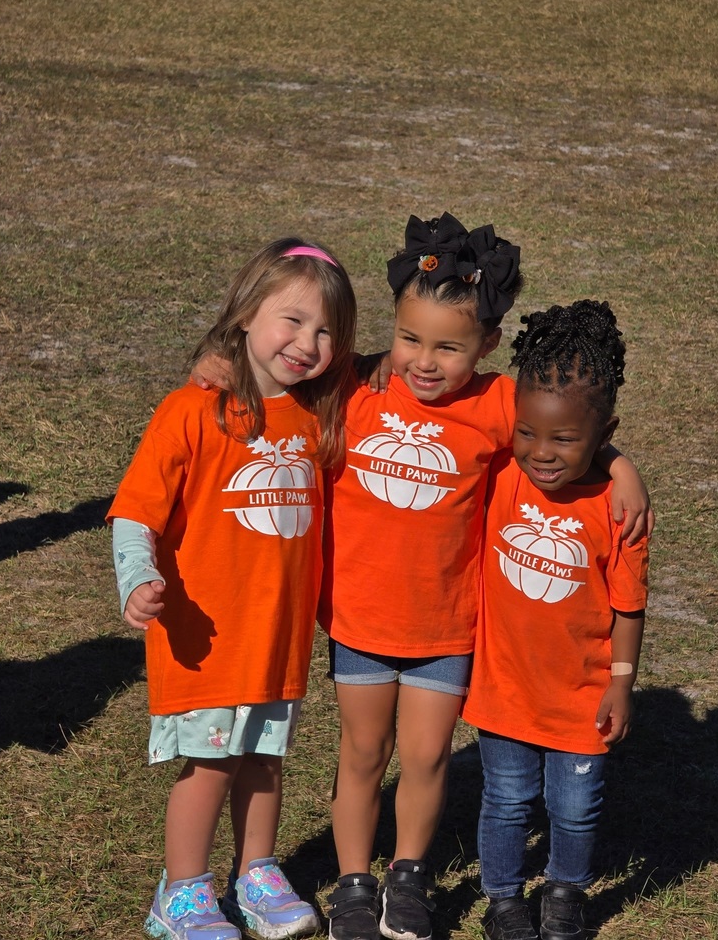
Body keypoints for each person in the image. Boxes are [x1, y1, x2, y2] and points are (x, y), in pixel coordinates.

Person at [193, 216, 652, 940]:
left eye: (449, 346)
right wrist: (219, 366)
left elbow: (564, 426)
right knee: (363, 753)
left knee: (428, 755)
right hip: (359, 622)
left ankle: (407, 878)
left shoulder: (498, 404)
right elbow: (271, 373)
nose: (425, 361)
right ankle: (353, 882)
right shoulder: (353, 385)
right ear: (391, 330)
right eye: (410, 339)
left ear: (488, 347)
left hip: (446, 627)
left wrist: (621, 467)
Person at [108, 239, 357, 940]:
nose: (309, 343)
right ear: (246, 312)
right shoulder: (191, 411)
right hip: (205, 637)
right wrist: (139, 578)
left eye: (327, 330)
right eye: (293, 320)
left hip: (278, 640)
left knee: (266, 759)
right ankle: (181, 893)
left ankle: (257, 872)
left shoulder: (318, 416)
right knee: (211, 763)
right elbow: (135, 512)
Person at [462, 300, 648, 940]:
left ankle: (565, 892)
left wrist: (620, 682)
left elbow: (628, 606)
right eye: (528, 433)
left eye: (566, 439)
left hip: (582, 696)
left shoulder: (619, 512)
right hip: (504, 687)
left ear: (603, 431)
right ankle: (504, 900)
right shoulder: (499, 475)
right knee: (507, 802)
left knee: (575, 809)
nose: (542, 453)